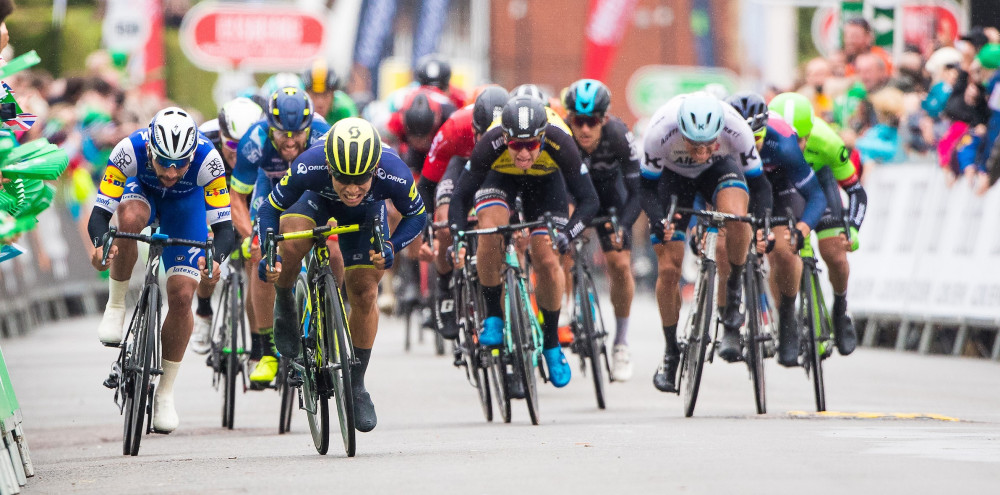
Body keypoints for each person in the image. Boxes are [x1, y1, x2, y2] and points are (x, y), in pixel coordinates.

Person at [256, 118, 427, 433]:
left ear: (374, 170)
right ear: (330, 167)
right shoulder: (311, 164)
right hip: (314, 201)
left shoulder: (394, 171)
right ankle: (285, 298)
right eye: (343, 179)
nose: (351, 188)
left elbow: (417, 214)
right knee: (293, 240)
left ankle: (357, 384)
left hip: (368, 212)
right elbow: (269, 209)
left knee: (365, 291)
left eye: (360, 180)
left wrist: (391, 244)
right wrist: (270, 253)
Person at [88, 107, 235, 433]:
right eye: (163, 162)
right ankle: (116, 306)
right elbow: (99, 216)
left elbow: (225, 230)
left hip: (186, 207)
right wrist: (101, 245)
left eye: (181, 163)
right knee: (128, 220)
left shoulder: (209, 162)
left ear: (192, 154)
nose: (171, 171)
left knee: (182, 295)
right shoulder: (129, 150)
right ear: (151, 149)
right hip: (142, 194)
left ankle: (165, 392)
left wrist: (215, 260)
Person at [448, 95, 600, 389]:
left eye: (531, 144)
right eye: (516, 144)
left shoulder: (560, 141)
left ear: (543, 137)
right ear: (504, 137)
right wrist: (457, 235)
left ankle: (552, 343)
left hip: (546, 185)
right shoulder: (491, 142)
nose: (523, 152)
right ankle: (493, 317)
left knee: (546, 256)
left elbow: (589, 200)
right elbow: (461, 196)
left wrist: (569, 232)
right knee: (489, 232)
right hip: (500, 179)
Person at [640, 92, 764, 391]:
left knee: (737, 218)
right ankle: (671, 351)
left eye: (709, 143)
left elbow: (760, 184)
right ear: (681, 131)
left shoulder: (737, 128)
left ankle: (732, 298)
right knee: (668, 268)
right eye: (694, 144)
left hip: (719, 172)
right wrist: (659, 221)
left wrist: (761, 225)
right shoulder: (659, 131)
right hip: (673, 179)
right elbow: (645, 187)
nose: (702, 150)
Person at [230, 87, 330, 385]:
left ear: (309, 127)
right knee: (261, 254)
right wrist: (250, 235)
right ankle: (267, 351)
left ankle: (327, 324)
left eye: (297, 133)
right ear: (269, 127)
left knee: (333, 252)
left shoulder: (322, 135)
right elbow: (237, 198)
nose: (289, 140)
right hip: (270, 192)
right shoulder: (255, 140)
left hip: (313, 192)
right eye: (282, 133)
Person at [726, 92, 826, 366]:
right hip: (743, 183)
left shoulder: (782, 142)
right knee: (731, 235)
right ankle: (732, 318)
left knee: (783, 249)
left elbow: (817, 196)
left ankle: (787, 318)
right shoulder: (720, 142)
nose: (749, 145)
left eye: (755, 138)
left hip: (780, 185)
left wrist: (802, 229)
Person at [769, 92, 867, 357]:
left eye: (801, 140)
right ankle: (785, 319)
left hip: (819, 184)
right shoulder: (765, 140)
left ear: (810, 133)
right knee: (780, 252)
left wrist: (854, 228)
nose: (795, 146)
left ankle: (840, 307)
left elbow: (855, 191)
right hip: (784, 185)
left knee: (834, 253)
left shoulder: (828, 141)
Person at [562, 79, 641, 381]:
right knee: (563, 238)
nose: (584, 129)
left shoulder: (620, 136)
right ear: (570, 118)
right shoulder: (562, 136)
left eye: (591, 122)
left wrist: (622, 224)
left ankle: (621, 343)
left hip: (611, 200)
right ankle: (567, 308)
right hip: (573, 197)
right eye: (578, 121)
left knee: (620, 264)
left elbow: (637, 193)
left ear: (604, 120)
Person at [415, 85, 509, 339]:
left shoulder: (514, 136)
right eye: (483, 136)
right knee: (445, 223)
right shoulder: (455, 128)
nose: (490, 143)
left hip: (499, 169)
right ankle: (444, 289)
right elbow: (426, 185)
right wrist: (427, 227)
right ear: (474, 129)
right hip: (460, 164)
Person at [188, 97, 264, 354]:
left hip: (249, 199)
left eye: (244, 145)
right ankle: (204, 310)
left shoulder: (266, 140)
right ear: (220, 135)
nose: (238, 152)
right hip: (211, 200)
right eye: (231, 144)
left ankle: (258, 346)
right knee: (208, 254)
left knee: (257, 257)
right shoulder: (202, 140)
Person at [301, 57, 358, 125]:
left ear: (333, 95)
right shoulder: (299, 108)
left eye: (325, 95)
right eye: (314, 95)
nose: (320, 103)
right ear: (305, 94)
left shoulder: (345, 107)